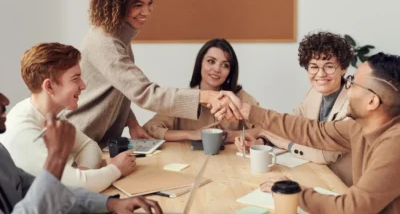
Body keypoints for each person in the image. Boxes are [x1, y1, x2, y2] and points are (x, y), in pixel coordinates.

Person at [66, 0, 241, 146]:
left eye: (150, 4)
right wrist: (203, 96)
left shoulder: (117, 37)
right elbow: (145, 92)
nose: (146, 12)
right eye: (138, 5)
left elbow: (121, 89)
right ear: (117, 3)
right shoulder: (106, 43)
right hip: (77, 140)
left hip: (93, 142)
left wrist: (132, 123)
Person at [221, 52, 400, 214]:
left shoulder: (395, 145)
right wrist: (249, 111)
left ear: (372, 101)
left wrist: (294, 191)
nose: (348, 88)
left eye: (353, 83)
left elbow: (351, 208)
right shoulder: (360, 127)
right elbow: (314, 131)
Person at [0, 43, 136, 192]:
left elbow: (89, 146)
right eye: (75, 78)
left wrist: (83, 173)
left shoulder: (47, 113)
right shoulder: (23, 134)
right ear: (49, 87)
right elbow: (72, 188)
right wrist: (115, 169)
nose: (83, 85)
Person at [0, 92, 163, 214]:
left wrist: (110, 204)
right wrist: (56, 156)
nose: (6, 101)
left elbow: (46, 192)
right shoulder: (23, 129)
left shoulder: (1, 153)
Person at [235, 31, 354, 186]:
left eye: (329, 66)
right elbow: (289, 127)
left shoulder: (353, 102)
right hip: (315, 175)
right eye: (313, 67)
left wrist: (287, 144)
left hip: (342, 185)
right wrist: (261, 141)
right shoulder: (313, 93)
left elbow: (324, 155)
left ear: (344, 68)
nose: (320, 74)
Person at [143, 39, 260, 142]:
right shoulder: (184, 98)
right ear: (200, 64)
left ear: (230, 72)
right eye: (211, 61)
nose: (217, 69)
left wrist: (233, 135)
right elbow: (150, 129)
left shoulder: (240, 98)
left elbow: (267, 129)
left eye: (225, 65)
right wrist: (190, 134)